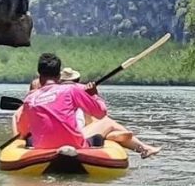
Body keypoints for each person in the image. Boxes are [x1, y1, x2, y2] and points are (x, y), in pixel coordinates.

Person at [14, 53, 161, 158]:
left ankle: (119, 138)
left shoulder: (30, 99)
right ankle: (141, 147)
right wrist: (94, 95)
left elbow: (22, 131)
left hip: (42, 147)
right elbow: (101, 113)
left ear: (39, 76)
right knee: (107, 122)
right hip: (75, 145)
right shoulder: (72, 89)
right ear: (59, 76)